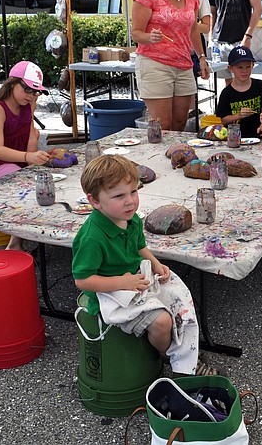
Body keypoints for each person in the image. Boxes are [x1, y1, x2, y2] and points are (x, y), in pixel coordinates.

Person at [72, 155, 217, 376]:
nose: (130, 201)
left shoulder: (131, 219)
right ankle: (176, 359)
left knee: (180, 301)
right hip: (109, 296)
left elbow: (140, 247)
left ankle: (185, 348)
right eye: (119, 195)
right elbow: (82, 280)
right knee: (161, 321)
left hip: (136, 281)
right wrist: (123, 282)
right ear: (94, 201)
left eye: (133, 191)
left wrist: (156, 264)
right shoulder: (92, 237)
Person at [131, 0, 209, 131]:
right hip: (155, 63)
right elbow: (136, 33)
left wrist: (202, 57)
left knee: (181, 123)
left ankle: (177, 159)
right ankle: (157, 160)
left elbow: (192, 30)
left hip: (184, 65)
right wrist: (150, 37)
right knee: (162, 125)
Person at [0, 61, 52, 250]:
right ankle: (15, 244)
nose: (31, 95)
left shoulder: (27, 106)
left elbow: (29, 142)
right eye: (27, 90)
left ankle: (31, 234)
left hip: (18, 163)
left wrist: (36, 156)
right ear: (11, 84)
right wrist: (28, 157)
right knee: (25, 188)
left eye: (35, 92)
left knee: (43, 182)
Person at [215, 46, 262, 138]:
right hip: (234, 137)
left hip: (257, 135)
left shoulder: (259, 85)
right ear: (230, 68)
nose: (244, 71)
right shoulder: (226, 93)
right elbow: (224, 120)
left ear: (253, 65)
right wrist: (239, 115)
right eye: (240, 67)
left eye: (248, 67)